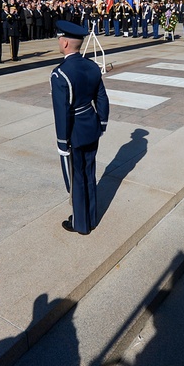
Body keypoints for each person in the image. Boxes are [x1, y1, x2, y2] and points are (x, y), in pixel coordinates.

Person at [52, 20, 109, 235]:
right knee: (89, 174)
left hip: (74, 132)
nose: (59, 42)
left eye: (60, 39)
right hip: (91, 125)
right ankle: (91, 217)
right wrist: (101, 123)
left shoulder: (60, 74)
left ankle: (81, 224)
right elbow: (101, 97)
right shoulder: (92, 66)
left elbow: (62, 112)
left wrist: (61, 142)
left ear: (66, 43)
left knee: (76, 179)